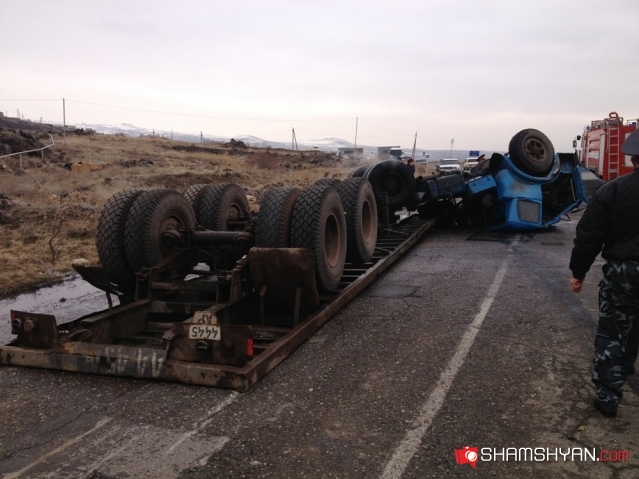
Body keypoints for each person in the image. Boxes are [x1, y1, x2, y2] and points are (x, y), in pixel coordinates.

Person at [569, 128, 639, 418]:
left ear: (633, 157)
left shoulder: (613, 189)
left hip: (625, 272)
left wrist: (579, 272)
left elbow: (589, 235)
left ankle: (608, 396)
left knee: (614, 332)